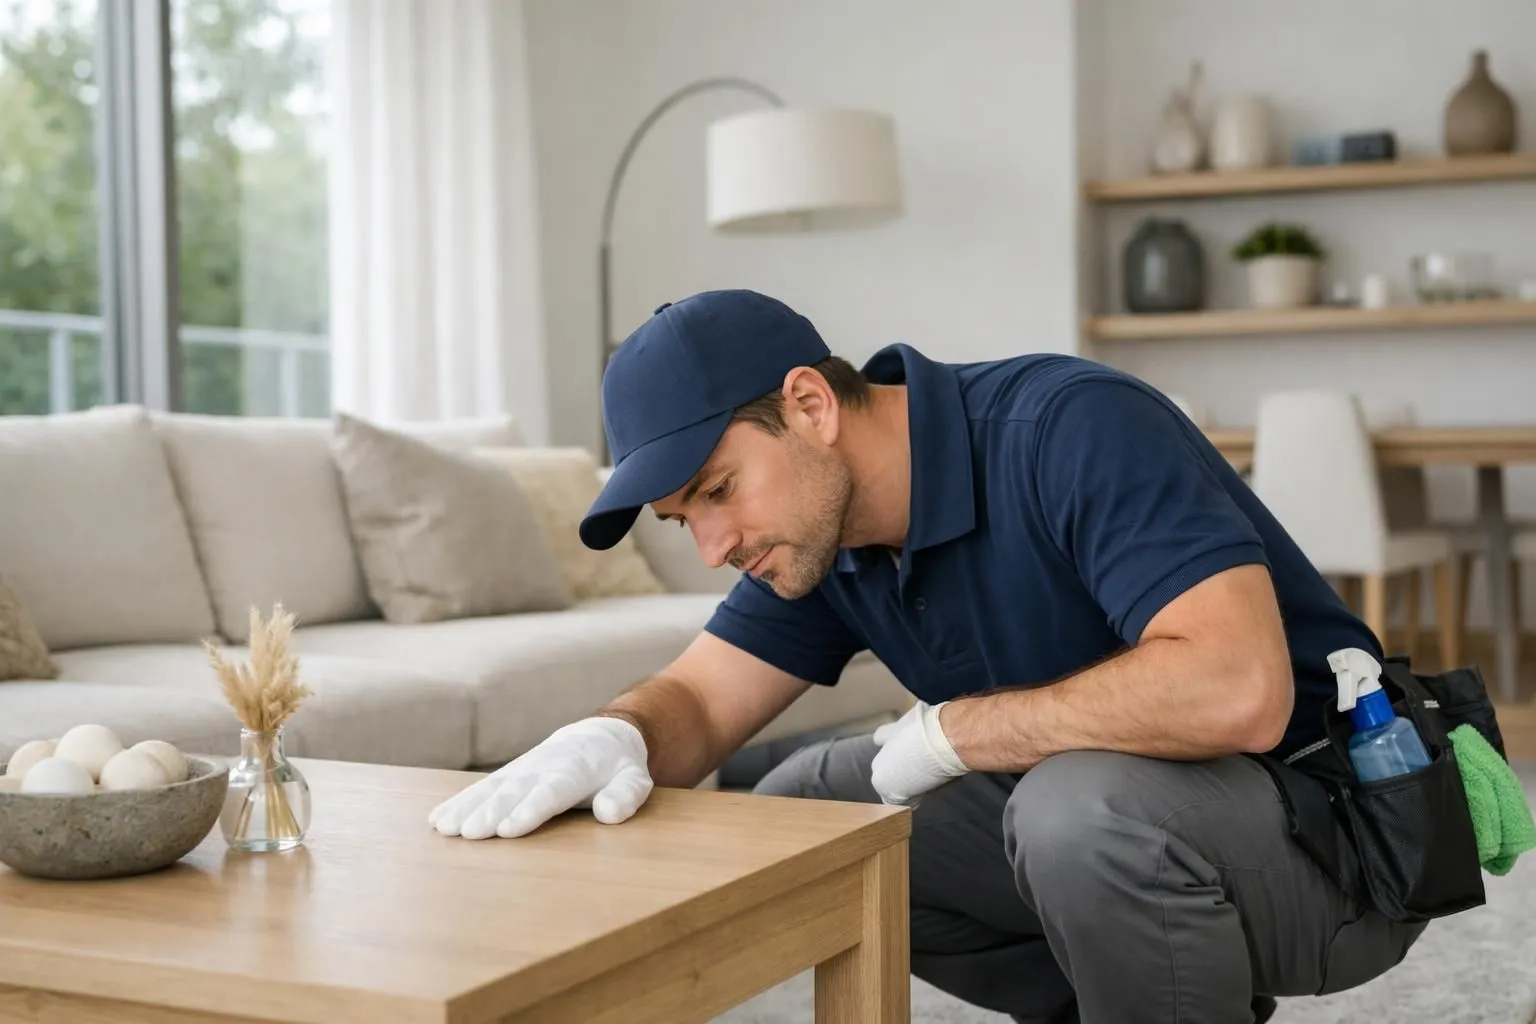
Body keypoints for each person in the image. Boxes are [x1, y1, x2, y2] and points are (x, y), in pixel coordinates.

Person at [428, 289, 1425, 1023]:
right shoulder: (824, 536)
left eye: (720, 489)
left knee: (1073, 807)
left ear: (811, 404)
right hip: (1157, 837)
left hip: (1340, 842)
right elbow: (700, 696)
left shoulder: (1068, 430)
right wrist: (617, 733)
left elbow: (1238, 687)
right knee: (805, 818)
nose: (714, 545)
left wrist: (956, 730)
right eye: (683, 517)